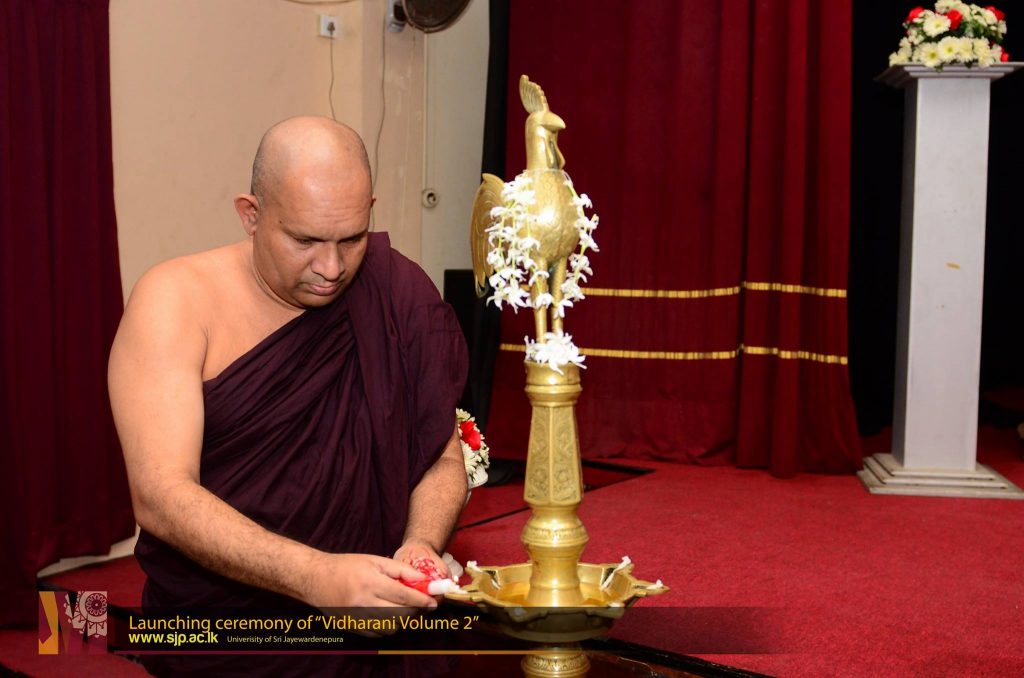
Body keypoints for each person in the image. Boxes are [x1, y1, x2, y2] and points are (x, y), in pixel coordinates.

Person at [108, 117, 469, 672]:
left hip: (371, 615)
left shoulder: (395, 292)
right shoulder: (175, 301)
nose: (331, 268)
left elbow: (441, 455)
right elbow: (161, 494)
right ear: (251, 215)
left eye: (351, 238)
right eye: (304, 240)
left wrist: (420, 544)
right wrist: (316, 576)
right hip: (226, 631)